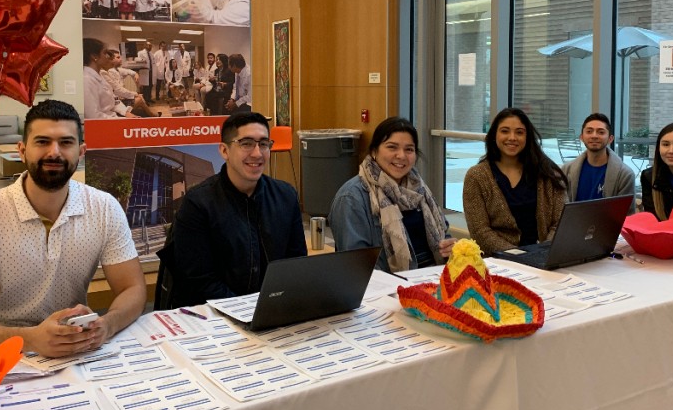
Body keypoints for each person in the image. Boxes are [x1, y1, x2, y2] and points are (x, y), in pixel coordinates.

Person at [0, 100, 146, 357]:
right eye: (42, 142)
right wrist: (30, 340)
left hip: (72, 348)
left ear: (81, 152)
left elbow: (133, 289)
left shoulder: (104, 208)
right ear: (22, 150)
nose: (54, 152)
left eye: (66, 142)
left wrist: (107, 325)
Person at [163, 112, 307, 306]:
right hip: (216, 316)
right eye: (246, 143)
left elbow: (296, 264)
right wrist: (248, 310)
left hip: (272, 310)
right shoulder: (198, 203)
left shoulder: (286, 196)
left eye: (264, 144)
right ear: (224, 151)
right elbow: (198, 281)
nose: (257, 153)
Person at [328, 117, 456, 273]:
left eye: (409, 149)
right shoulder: (351, 197)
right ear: (374, 151)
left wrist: (450, 248)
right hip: (387, 286)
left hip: (434, 277)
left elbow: (444, 234)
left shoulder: (419, 189)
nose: (401, 156)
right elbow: (356, 265)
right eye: (392, 147)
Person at [463, 107, 568, 254]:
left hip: (545, 257)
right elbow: (480, 231)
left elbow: (561, 222)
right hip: (500, 263)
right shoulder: (476, 177)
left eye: (519, 132)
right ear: (494, 135)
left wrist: (543, 252)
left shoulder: (548, 174)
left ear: (527, 137)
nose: (512, 137)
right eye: (505, 131)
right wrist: (518, 255)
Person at [562, 113, 636, 213]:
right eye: (589, 131)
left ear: (610, 139)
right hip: (573, 226)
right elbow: (560, 208)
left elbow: (627, 216)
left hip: (609, 227)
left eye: (601, 132)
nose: (594, 136)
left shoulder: (624, 174)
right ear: (581, 137)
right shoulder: (566, 170)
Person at [83, 38, 136, 119]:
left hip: (112, 118)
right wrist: (123, 120)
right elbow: (93, 116)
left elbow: (114, 100)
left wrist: (126, 112)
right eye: (104, 53)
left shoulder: (99, 75)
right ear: (94, 56)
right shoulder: (87, 80)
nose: (108, 56)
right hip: (105, 124)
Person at [102, 48, 159, 117]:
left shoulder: (117, 70)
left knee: (141, 102)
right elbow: (118, 90)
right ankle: (152, 115)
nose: (121, 59)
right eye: (118, 57)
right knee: (140, 100)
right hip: (115, 103)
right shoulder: (108, 72)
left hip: (118, 100)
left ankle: (149, 114)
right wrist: (135, 94)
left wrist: (135, 74)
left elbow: (129, 71)